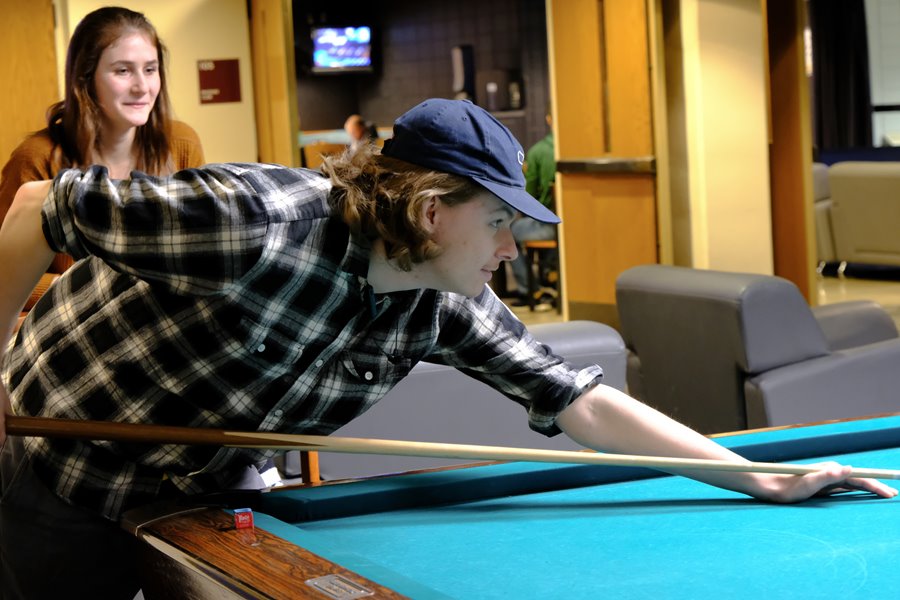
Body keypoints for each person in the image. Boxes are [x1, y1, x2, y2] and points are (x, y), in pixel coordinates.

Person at [0, 98, 894, 599]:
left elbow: (578, 397)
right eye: (501, 223)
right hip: (57, 458)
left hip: (207, 478)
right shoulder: (257, 223)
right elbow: (37, 209)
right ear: (430, 212)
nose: (511, 249)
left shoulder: (442, 301)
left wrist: (757, 477)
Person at [0, 5, 205, 321]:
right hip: (75, 330)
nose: (142, 87)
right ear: (86, 77)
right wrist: (94, 294)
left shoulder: (181, 143)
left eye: (150, 70)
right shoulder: (36, 159)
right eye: (123, 71)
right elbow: (6, 277)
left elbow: (201, 251)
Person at [509, 109, 557, 306]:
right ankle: (550, 273)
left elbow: (528, 199)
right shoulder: (578, 149)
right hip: (574, 228)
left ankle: (530, 290)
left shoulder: (538, 152)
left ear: (548, 119)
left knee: (506, 233)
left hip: (549, 228)